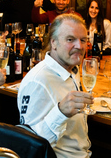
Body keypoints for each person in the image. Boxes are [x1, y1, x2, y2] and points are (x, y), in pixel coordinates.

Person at [18, 14, 93, 158]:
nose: (79, 46)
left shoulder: (71, 68)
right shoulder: (37, 81)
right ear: (53, 42)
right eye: (70, 39)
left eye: (83, 40)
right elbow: (29, 144)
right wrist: (60, 112)